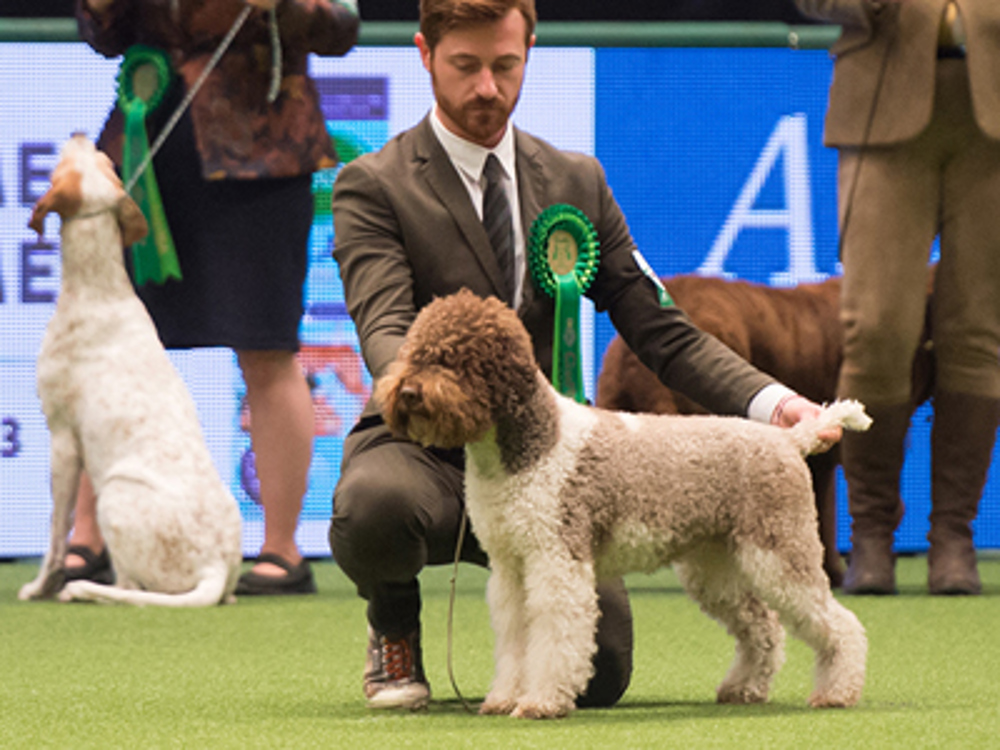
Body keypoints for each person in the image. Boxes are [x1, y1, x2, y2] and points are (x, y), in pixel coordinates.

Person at [329, 0, 842, 710]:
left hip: (551, 462)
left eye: (506, 66)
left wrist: (773, 402)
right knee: (372, 507)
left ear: (530, 53)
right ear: (424, 55)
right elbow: (384, 323)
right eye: (466, 67)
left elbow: (662, 328)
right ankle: (393, 633)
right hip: (426, 451)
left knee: (602, 676)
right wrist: (427, 393)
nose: (488, 88)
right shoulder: (374, 184)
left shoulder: (576, 182)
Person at [64, 0, 360, 595]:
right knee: (114, 352)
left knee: (268, 346)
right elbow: (102, 36)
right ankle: (88, 534)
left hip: (261, 156)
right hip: (148, 148)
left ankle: (281, 548)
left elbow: (341, 26)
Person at [795, 0, 1000, 595]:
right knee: (877, 327)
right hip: (880, 101)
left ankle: (954, 537)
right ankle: (873, 533)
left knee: (980, 331)